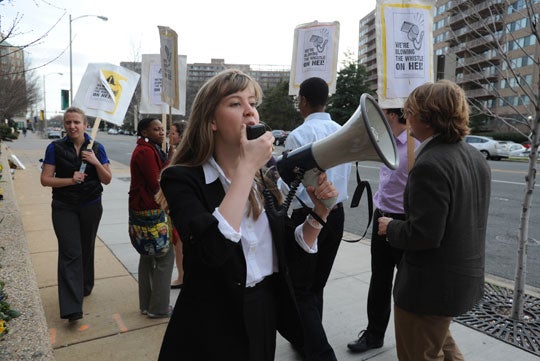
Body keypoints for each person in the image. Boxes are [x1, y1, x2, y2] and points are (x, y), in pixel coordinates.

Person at [155, 69, 338, 361]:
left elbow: (285, 255)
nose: (249, 111)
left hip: (261, 310)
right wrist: (247, 168)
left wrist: (319, 212)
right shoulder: (181, 179)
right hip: (211, 320)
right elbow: (212, 250)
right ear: (211, 121)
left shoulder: (264, 177)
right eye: (235, 103)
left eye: (252, 103)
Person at [377, 80, 491, 361]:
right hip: (456, 283)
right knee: (444, 348)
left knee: (420, 354)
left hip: (428, 290)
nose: (407, 116)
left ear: (427, 117)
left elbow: (425, 235)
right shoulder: (474, 157)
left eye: (410, 110)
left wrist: (391, 227)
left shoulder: (429, 164)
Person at [283, 77, 351, 360]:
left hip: (308, 217)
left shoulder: (297, 135)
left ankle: (312, 345)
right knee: (317, 284)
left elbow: (288, 186)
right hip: (336, 216)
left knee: (302, 289)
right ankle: (310, 336)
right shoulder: (342, 131)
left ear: (303, 101)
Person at [347, 108, 419, 353]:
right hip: (382, 218)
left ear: (391, 114)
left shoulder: (416, 146)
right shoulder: (385, 143)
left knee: (408, 286)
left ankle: (416, 340)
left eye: (382, 110)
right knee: (379, 281)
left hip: (403, 222)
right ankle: (374, 334)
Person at [40, 106, 112, 322]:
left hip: (91, 205)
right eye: (68, 122)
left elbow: (106, 179)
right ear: (64, 125)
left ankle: (84, 285)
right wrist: (70, 180)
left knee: (86, 247)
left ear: (85, 125)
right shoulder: (55, 147)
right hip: (64, 207)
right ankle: (72, 308)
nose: (72, 126)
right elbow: (45, 179)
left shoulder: (97, 147)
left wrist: (95, 162)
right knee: (71, 252)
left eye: (76, 122)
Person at [129, 117, 174, 318]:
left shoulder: (148, 149)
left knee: (147, 257)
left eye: (162, 129)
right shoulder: (147, 152)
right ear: (144, 132)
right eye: (156, 129)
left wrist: (169, 156)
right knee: (165, 256)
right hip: (151, 210)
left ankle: (147, 305)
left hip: (142, 209)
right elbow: (157, 181)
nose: (161, 132)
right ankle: (159, 308)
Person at [168, 121, 187, 289]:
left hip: (182, 204)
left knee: (179, 242)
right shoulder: (175, 151)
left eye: (172, 132)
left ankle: (182, 275)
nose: (169, 135)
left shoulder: (183, 153)